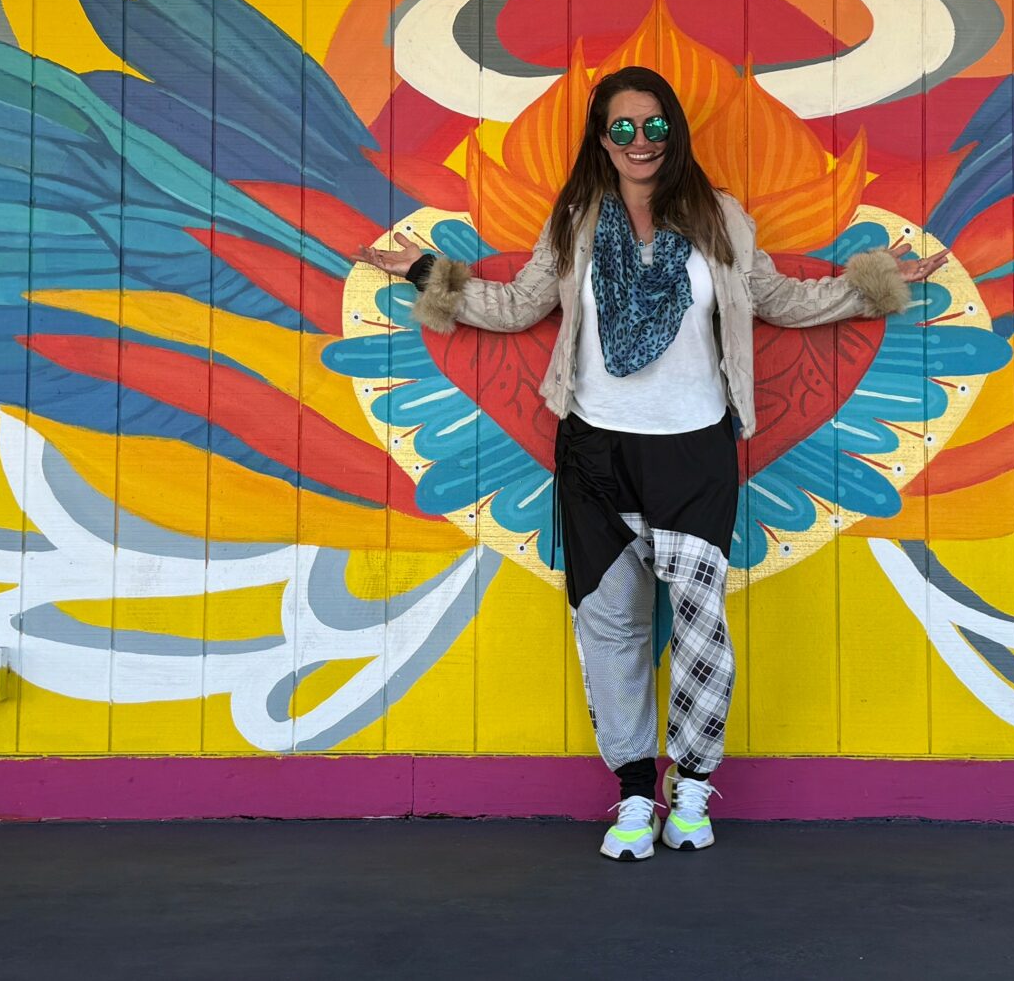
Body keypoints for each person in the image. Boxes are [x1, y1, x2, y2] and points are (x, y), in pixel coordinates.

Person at [353, 64, 948, 861]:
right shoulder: (575, 220)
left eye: (655, 125)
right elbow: (519, 306)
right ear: (601, 139)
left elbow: (778, 300)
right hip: (594, 450)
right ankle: (635, 791)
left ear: (676, 131)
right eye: (623, 128)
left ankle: (691, 789)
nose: (641, 141)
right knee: (610, 624)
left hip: (695, 448)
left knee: (699, 626)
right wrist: (427, 272)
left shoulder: (719, 218)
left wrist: (875, 284)